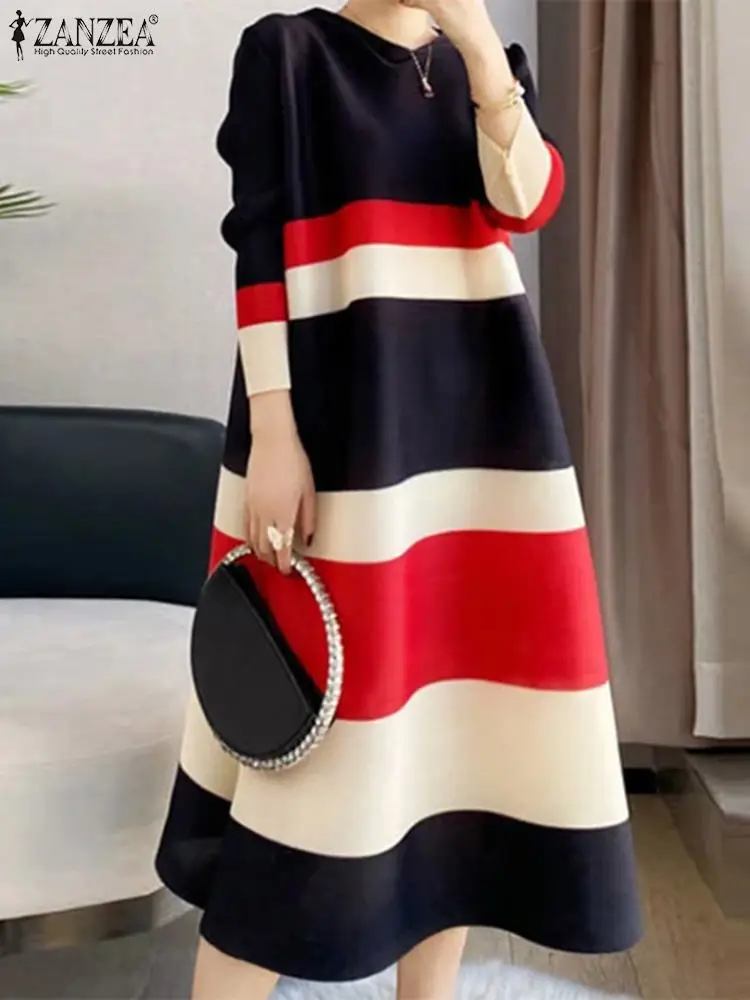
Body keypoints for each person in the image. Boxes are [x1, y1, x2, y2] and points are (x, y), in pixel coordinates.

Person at [155, 2, 643, 998]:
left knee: (453, 748)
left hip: (483, 444)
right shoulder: (289, 52)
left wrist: (479, 51)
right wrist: (276, 431)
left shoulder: (484, 68)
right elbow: (260, 246)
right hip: (344, 435)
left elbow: (527, 202)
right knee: (305, 774)